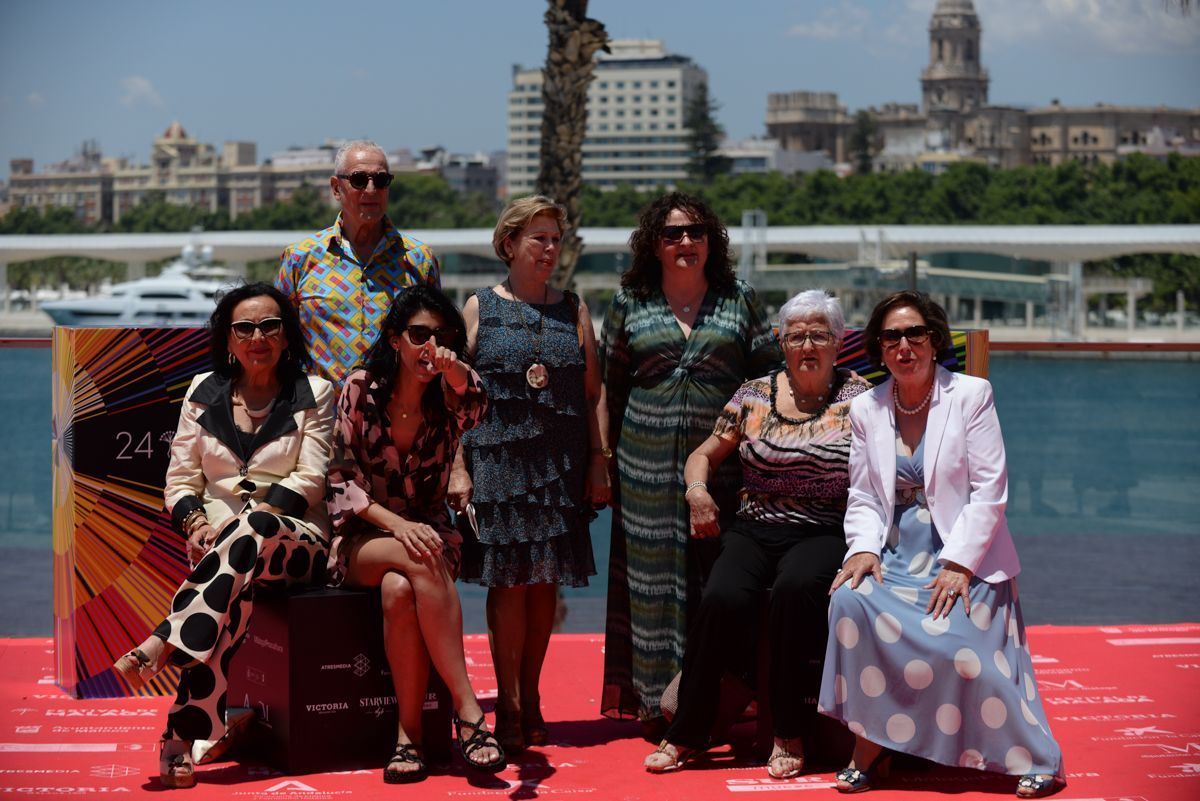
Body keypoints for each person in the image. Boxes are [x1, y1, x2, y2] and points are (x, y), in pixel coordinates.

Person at [821, 291, 1065, 797]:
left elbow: (990, 490)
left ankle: (1034, 755)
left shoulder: (971, 395)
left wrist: (958, 563)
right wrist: (862, 549)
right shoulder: (866, 407)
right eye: (892, 337)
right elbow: (864, 492)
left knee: (962, 652)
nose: (904, 345)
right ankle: (869, 745)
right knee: (848, 599)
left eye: (915, 334)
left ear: (934, 340)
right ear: (879, 348)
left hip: (961, 550)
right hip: (894, 551)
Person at [111, 283, 334, 789]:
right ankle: (179, 739)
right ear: (228, 339)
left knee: (250, 531)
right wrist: (197, 524)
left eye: (270, 326)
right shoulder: (202, 391)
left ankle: (164, 639)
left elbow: (311, 479)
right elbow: (181, 481)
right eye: (245, 328)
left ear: (286, 335)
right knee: (229, 605)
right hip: (227, 556)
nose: (259, 337)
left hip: (296, 545)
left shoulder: (314, 393)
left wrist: (236, 527)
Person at [643, 290, 870, 778]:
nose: (807, 344)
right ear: (780, 342)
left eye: (819, 335)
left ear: (838, 342)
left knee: (794, 591)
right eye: (796, 335)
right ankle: (686, 731)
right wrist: (698, 491)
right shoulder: (753, 395)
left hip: (824, 527)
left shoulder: (861, 399)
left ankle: (788, 730)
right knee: (722, 595)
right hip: (755, 525)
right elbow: (702, 455)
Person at [601, 191, 782, 732]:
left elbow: (769, 380)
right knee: (651, 582)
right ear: (653, 245)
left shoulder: (739, 297)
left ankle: (721, 697)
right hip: (644, 467)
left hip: (722, 468)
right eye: (673, 234)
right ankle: (659, 702)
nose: (686, 242)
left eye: (696, 232)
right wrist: (602, 462)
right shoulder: (629, 301)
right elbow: (608, 391)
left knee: (716, 581)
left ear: (712, 241)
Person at [326, 285, 504, 783]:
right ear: (395, 341)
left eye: (442, 335)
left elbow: (479, 408)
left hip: (426, 536)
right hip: (364, 536)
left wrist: (454, 369)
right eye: (419, 334)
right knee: (418, 558)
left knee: (401, 589)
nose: (430, 344)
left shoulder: (449, 396)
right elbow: (340, 484)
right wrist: (400, 525)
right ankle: (469, 713)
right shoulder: (360, 388)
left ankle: (409, 738)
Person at [451, 196, 608, 754]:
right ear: (509, 244)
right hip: (497, 460)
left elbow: (593, 393)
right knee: (506, 581)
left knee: (545, 582)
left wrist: (598, 460)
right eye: (538, 238)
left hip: (559, 464)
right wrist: (457, 465)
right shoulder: (477, 308)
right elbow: (454, 397)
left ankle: (533, 694)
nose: (549, 249)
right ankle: (509, 702)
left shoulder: (575, 309)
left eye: (555, 239)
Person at [276, 139, 441, 389]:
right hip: (321, 419)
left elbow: (436, 338)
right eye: (359, 180)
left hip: (397, 418)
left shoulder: (419, 259)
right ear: (335, 188)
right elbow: (279, 338)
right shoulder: (300, 258)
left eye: (381, 180)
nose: (371, 190)